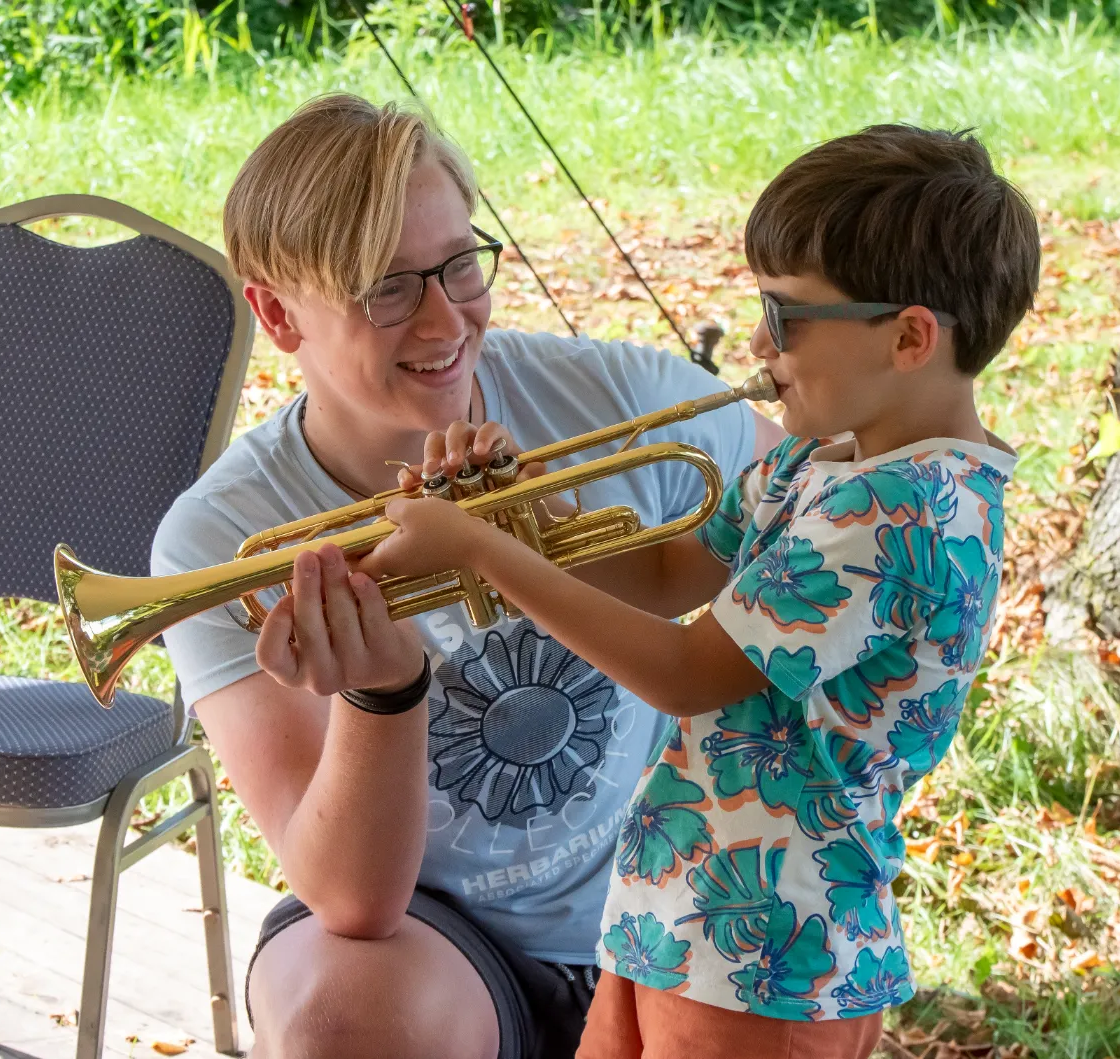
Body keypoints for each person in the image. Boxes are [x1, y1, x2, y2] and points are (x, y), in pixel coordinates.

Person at [353, 125, 1040, 1059]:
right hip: (679, 915)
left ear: (911, 336)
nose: (758, 341)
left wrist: (482, 552)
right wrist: (528, 520)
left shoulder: (902, 511)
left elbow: (683, 670)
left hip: (771, 951)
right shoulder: (827, 457)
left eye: (788, 316)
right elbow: (671, 576)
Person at [151, 92, 784, 1059]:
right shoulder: (221, 538)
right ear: (279, 313)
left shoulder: (611, 397)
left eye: (459, 264)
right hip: (438, 945)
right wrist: (382, 693)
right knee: (337, 1020)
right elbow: (354, 900)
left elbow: (821, 498)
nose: (447, 317)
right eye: (387, 287)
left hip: (677, 894)